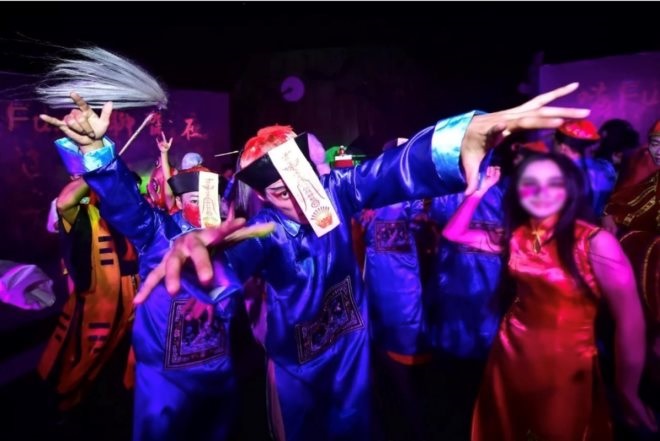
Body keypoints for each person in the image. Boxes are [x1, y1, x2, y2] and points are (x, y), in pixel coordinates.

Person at [133, 83, 592, 441]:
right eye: (278, 193)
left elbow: (392, 169)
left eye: (299, 183)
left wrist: (458, 139)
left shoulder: (335, 195)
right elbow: (232, 262)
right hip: (296, 366)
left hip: (350, 352)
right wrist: (199, 260)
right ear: (264, 197)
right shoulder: (265, 231)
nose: (295, 200)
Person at [40, 93, 264, 441]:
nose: (204, 209)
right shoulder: (159, 231)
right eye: (193, 200)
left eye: (210, 201)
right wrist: (97, 151)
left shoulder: (232, 241)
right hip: (165, 386)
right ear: (180, 202)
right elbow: (125, 204)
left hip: (219, 377)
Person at [441, 154, 656, 440]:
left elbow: (630, 320)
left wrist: (627, 390)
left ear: (569, 189)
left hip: (566, 364)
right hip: (511, 353)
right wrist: (479, 192)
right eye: (531, 183)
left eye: (553, 183)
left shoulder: (595, 242)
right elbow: (453, 234)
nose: (541, 192)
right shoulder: (516, 236)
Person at [37, 176, 139, 440]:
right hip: (98, 304)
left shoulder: (131, 214)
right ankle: (68, 408)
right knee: (82, 359)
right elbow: (64, 204)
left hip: (132, 302)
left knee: (120, 364)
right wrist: (94, 171)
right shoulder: (83, 215)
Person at [553, 119, 616, 218]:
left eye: (554, 143)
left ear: (563, 147)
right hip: (597, 225)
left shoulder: (559, 174)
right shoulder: (607, 169)